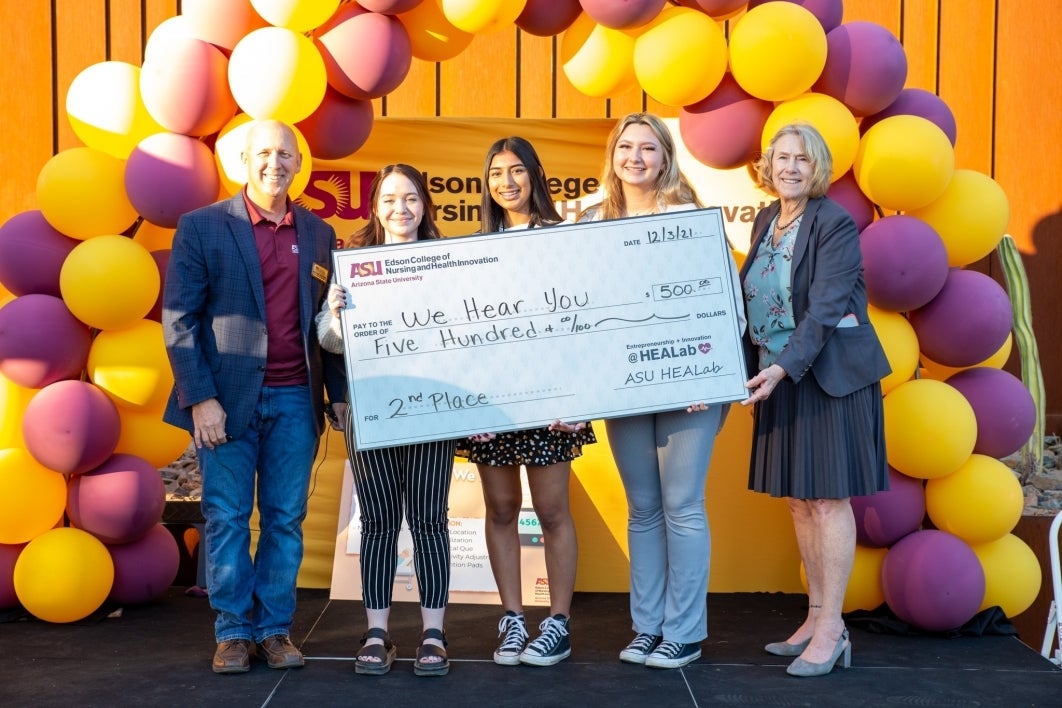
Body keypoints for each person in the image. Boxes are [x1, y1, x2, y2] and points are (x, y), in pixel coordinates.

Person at [162, 120, 346, 674]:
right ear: (244, 160)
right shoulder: (201, 226)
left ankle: (274, 629)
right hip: (225, 402)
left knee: (286, 520)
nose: (275, 162)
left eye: (285, 153)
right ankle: (234, 631)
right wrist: (201, 399)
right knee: (226, 518)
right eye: (263, 152)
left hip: (296, 400)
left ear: (298, 163)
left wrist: (336, 395)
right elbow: (180, 320)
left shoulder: (319, 234)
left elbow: (328, 326)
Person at [579, 113, 744, 669]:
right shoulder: (589, 219)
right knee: (644, 508)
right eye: (626, 146)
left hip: (689, 388)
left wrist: (707, 373)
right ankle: (647, 626)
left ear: (666, 157)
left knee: (682, 506)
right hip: (622, 388)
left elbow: (725, 302)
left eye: (648, 148)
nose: (636, 157)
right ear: (613, 154)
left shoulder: (689, 218)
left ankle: (685, 632)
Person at [739, 123, 890, 677]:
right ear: (768, 165)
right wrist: (749, 370)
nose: (791, 168)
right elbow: (753, 305)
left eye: (803, 159)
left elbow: (826, 307)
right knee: (800, 502)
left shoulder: (835, 223)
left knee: (827, 502)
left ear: (818, 168)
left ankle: (833, 630)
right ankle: (815, 615)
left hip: (827, 380)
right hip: (779, 376)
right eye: (781, 158)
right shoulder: (765, 220)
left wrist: (780, 368)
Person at [316, 164, 457, 677]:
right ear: (375, 206)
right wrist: (336, 313)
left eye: (412, 198)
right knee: (376, 524)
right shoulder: (352, 264)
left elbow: (472, 341)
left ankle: (433, 634)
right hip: (372, 413)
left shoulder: (449, 263)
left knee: (429, 524)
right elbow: (328, 342)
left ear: (425, 206)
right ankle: (377, 632)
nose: (402, 208)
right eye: (391, 199)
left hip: (432, 413)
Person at [463, 137, 597, 667]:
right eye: (496, 173)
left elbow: (582, 324)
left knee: (552, 510)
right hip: (493, 408)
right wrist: (470, 407)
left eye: (517, 171)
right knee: (500, 509)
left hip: (552, 406)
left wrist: (579, 397)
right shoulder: (473, 246)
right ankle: (513, 619)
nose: (507, 182)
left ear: (537, 176)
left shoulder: (564, 240)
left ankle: (557, 623)